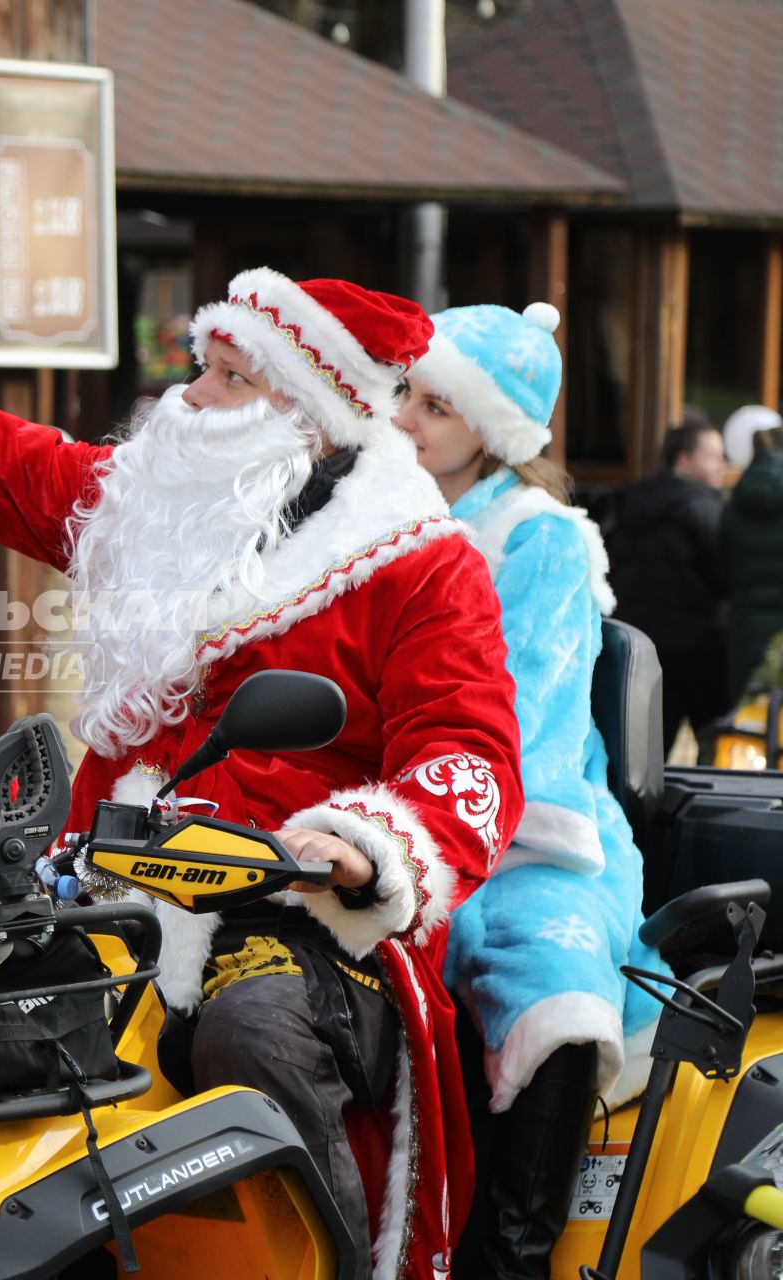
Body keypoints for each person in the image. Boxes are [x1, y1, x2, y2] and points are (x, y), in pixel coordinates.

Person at [0, 181, 522, 1279]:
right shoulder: (160, 500)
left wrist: (362, 844)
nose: (190, 396)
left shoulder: (424, 567)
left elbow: (468, 757)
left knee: (254, 1030)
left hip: (299, 908)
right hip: (94, 856)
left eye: (230, 376)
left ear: (310, 416)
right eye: (205, 364)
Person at [396, 300, 667, 1277]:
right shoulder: (378, 520)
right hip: (397, 812)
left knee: (550, 977)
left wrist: (441, 827)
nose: (406, 418)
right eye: (403, 393)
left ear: (492, 427)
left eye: (434, 403)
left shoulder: (536, 536)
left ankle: (514, 1253)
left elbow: (533, 715)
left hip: (528, 827)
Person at [607, 416, 731, 753]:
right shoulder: (705, 509)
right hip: (699, 650)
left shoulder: (631, 502)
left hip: (642, 645)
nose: (723, 465)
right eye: (714, 455)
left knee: (647, 753)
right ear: (685, 460)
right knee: (716, 747)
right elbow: (724, 576)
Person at [724, 420, 783, 702]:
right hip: (778, 638)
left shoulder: (734, 503)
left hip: (745, 628)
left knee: (748, 720)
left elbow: (723, 570)